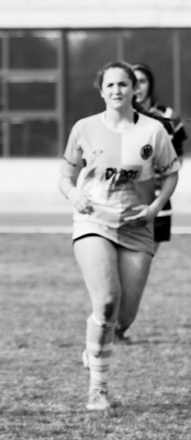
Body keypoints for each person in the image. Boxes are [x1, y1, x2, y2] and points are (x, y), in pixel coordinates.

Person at [58, 61, 180, 411]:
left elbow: (171, 173)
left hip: (137, 227)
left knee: (123, 318)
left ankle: (95, 345)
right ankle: (98, 390)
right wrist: (73, 194)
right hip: (93, 221)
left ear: (134, 90)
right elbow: (65, 175)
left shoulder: (154, 131)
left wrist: (156, 206)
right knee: (107, 301)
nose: (117, 91)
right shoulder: (84, 128)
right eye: (110, 85)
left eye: (123, 85)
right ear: (101, 90)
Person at [131, 63, 187, 258]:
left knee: (141, 265)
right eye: (132, 81)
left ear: (150, 85)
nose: (137, 87)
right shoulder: (117, 118)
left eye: (142, 81)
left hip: (157, 204)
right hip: (123, 200)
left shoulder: (168, 117)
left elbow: (177, 160)